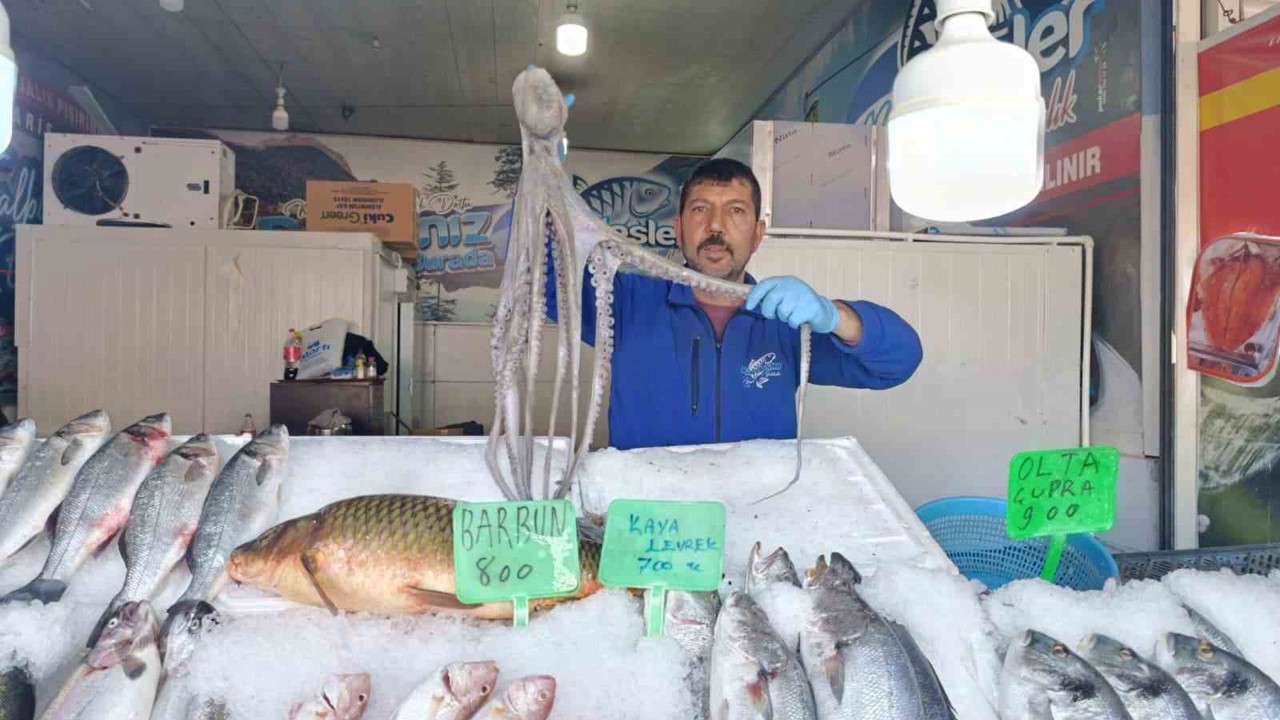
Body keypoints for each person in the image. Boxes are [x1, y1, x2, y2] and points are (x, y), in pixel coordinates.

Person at [547, 157, 922, 450]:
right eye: (700, 209)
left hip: (755, 522)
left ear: (758, 234)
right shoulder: (624, 303)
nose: (715, 227)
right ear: (677, 228)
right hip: (652, 525)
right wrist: (541, 174)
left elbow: (898, 362)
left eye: (736, 211)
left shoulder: (787, 323)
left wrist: (833, 314)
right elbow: (542, 280)